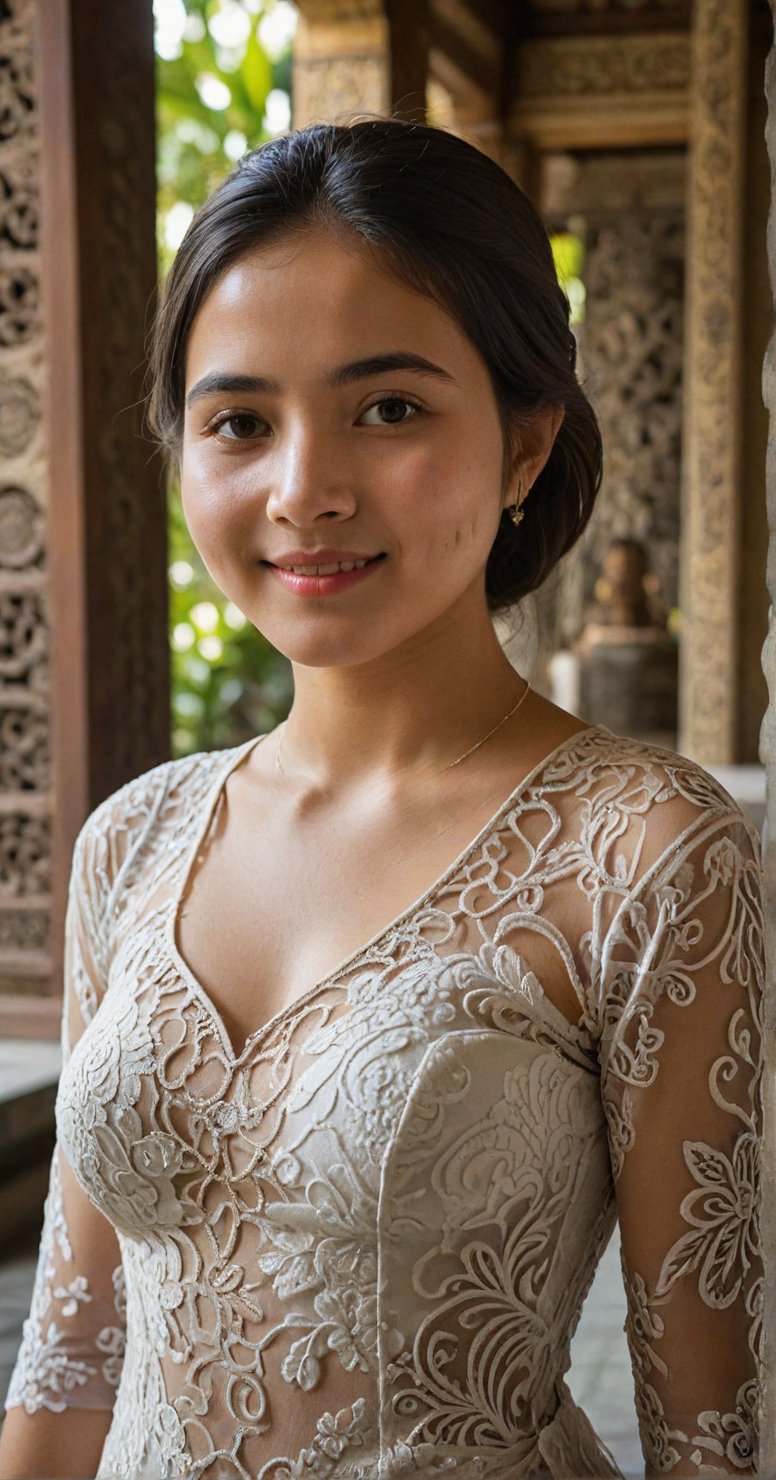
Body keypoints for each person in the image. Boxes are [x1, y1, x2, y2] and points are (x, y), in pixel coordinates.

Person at [0, 119, 763, 1480]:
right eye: (240, 421)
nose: (306, 491)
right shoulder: (135, 842)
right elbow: (68, 1367)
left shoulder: (649, 853)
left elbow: (711, 1435)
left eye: (390, 408)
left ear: (526, 445)